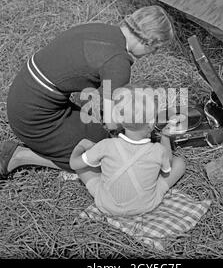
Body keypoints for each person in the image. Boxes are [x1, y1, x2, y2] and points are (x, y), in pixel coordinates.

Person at [0, 5, 175, 184]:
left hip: (22, 95)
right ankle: (20, 156)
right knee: (101, 153)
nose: (152, 54)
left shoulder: (103, 30)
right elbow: (111, 123)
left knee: (94, 130)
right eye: (156, 49)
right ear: (150, 41)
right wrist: (146, 120)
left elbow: (90, 92)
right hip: (32, 117)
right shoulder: (118, 63)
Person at [69, 84, 186, 216]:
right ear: (152, 123)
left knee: (84, 168)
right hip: (146, 205)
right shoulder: (158, 150)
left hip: (106, 205)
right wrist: (165, 137)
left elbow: (74, 164)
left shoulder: (106, 145)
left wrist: (81, 146)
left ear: (119, 119)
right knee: (179, 163)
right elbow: (168, 166)